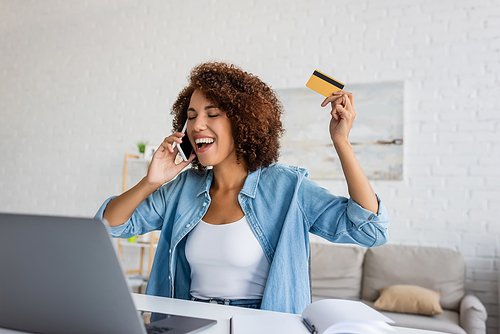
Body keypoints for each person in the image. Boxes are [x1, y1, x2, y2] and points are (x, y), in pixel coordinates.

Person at [95, 62, 389, 318]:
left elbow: (370, 230)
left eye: (212, 114)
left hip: (261, 325)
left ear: (242, 122)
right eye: (192, 115)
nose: (197, 125)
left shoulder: (287, 188)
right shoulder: (183, 189)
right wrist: (151, 182)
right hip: (189, 320)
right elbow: (109, 225)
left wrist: (342, 142)